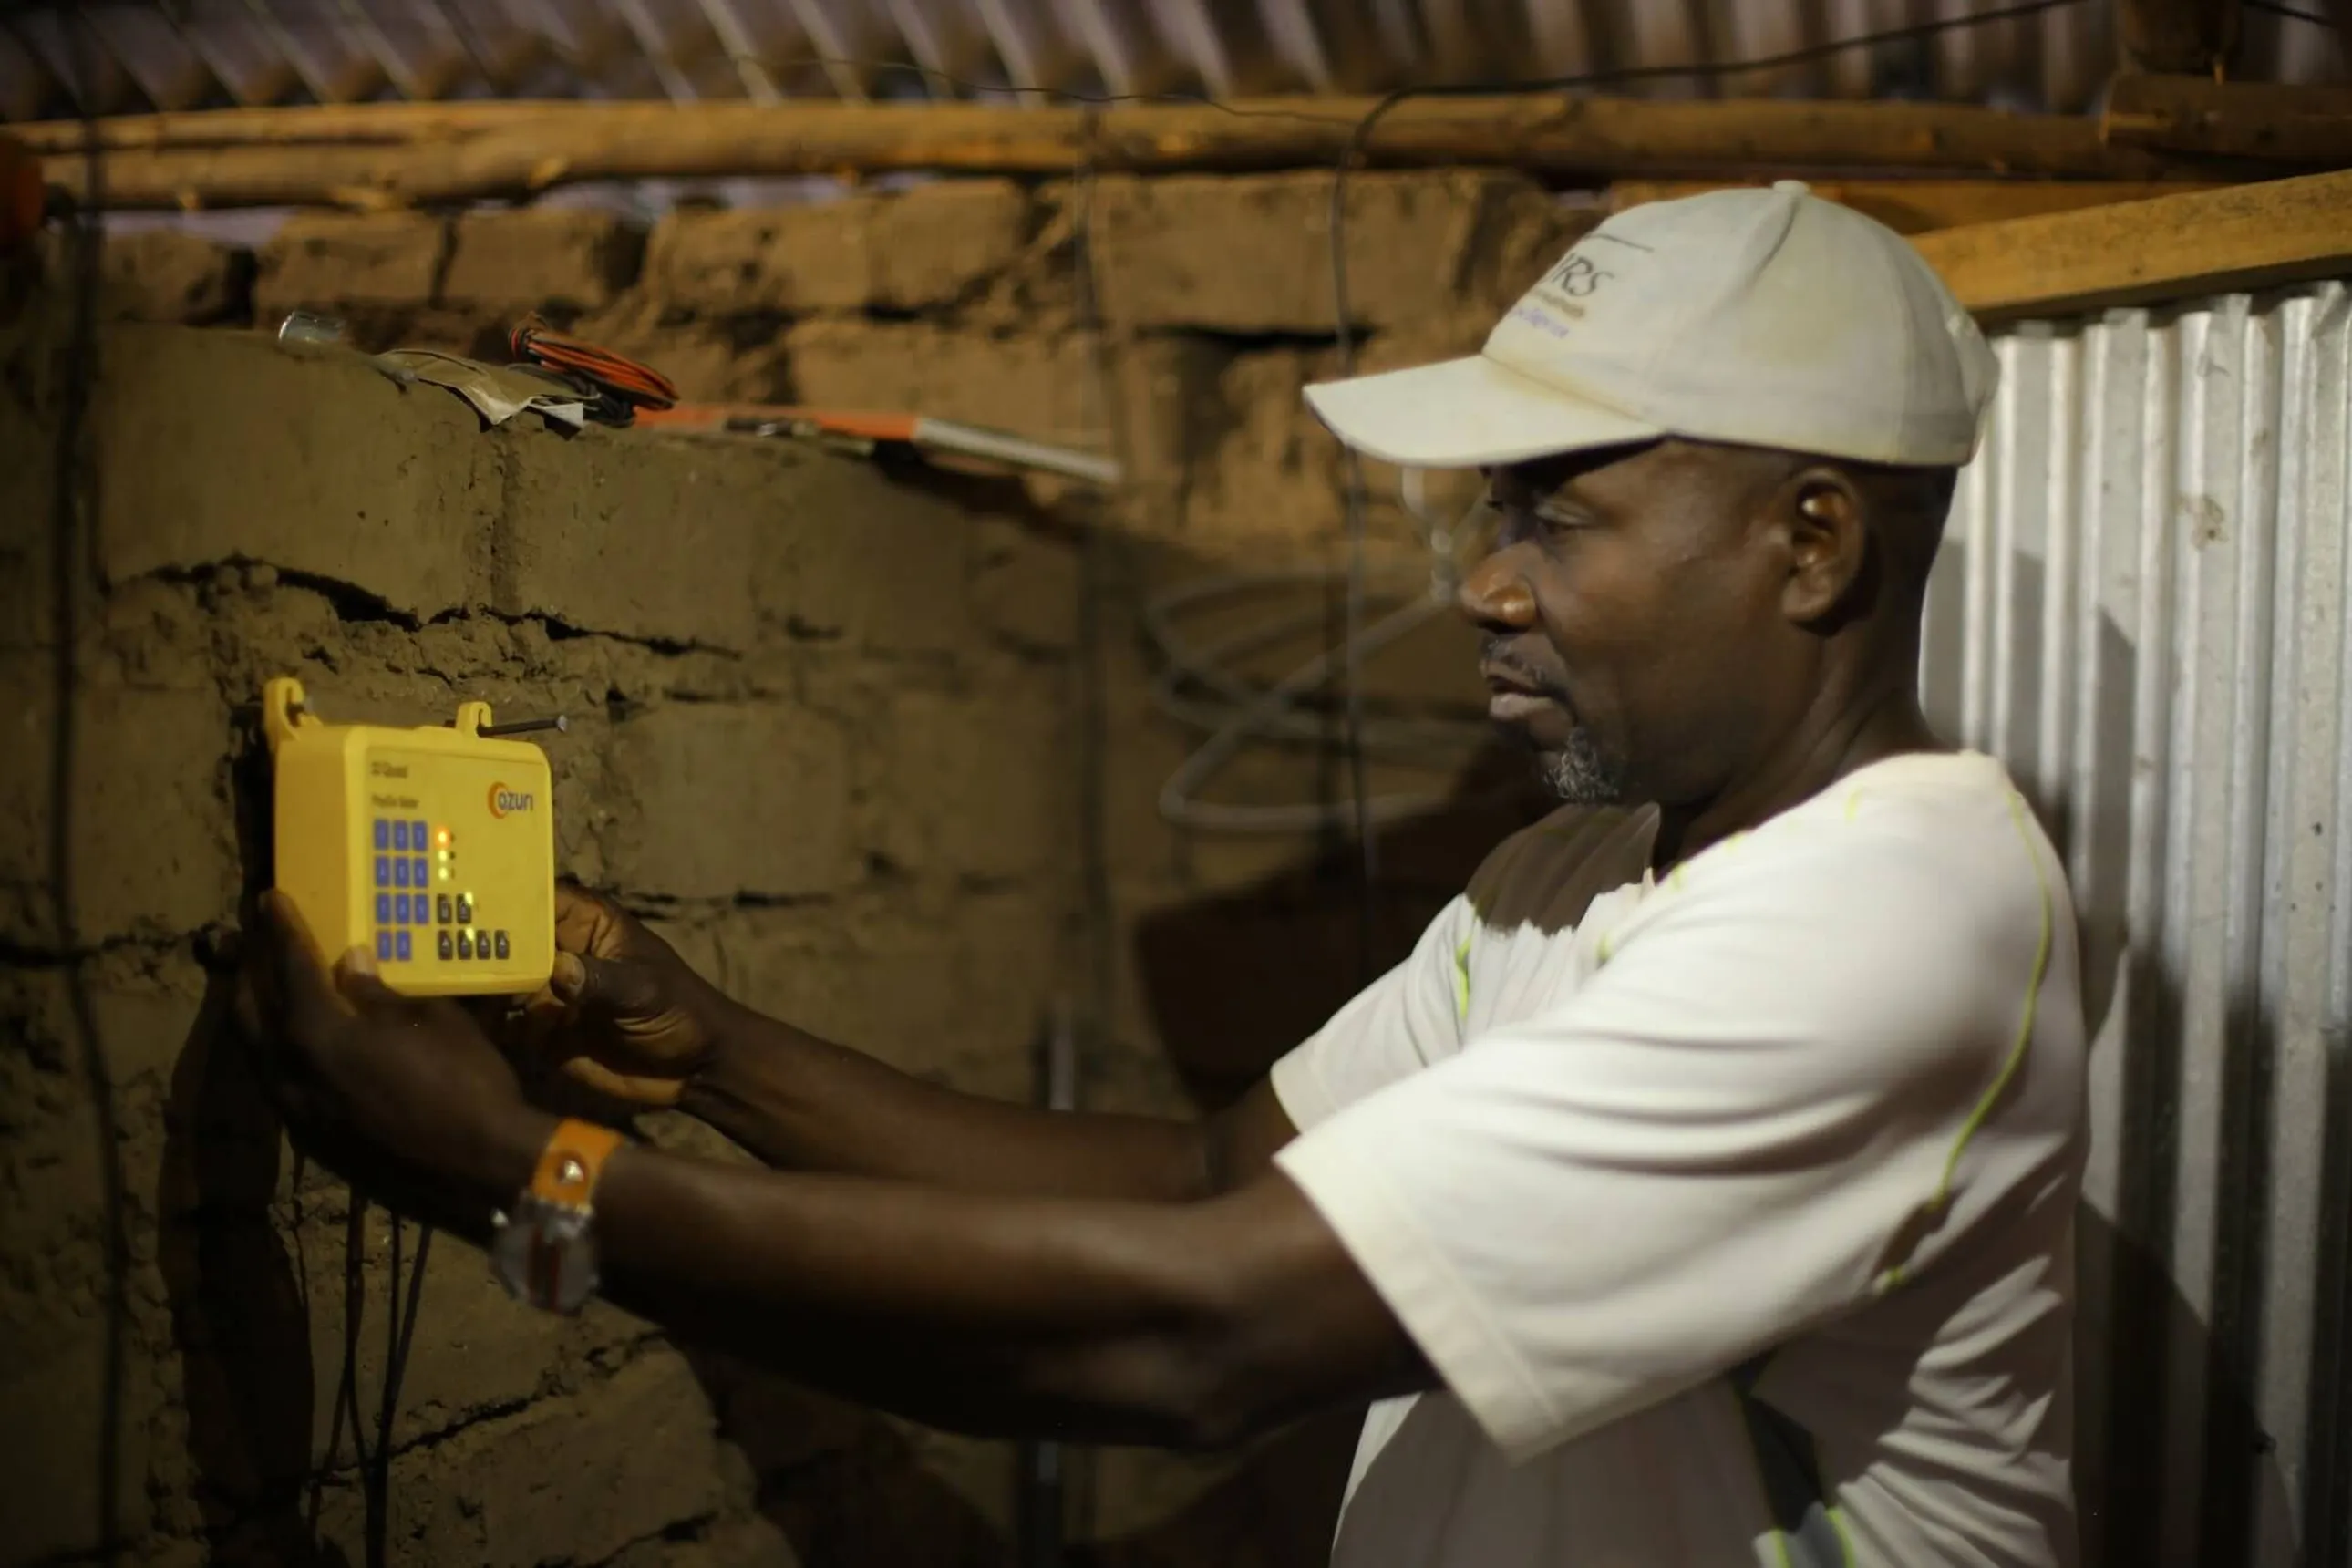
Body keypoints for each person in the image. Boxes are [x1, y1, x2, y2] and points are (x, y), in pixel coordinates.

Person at [240, 181, 2088, 1568]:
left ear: (1813, 542)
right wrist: (708, 1046)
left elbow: (1197, 1328)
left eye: (1560, 514)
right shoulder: (1580, 871)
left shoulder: (1892, 920)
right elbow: (1208, 1174)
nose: (1488, 583)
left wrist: (526, 1173)